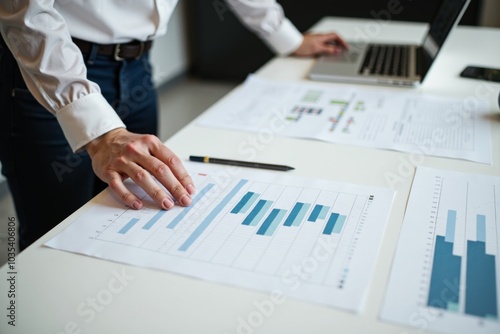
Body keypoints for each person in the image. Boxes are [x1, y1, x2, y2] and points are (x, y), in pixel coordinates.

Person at [0, 0, 348, 251]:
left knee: (125, 218)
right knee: (51, 237)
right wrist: (103, 133)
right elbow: (27, 15)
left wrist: (288, 38)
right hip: (48, 72)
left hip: (136, 66)